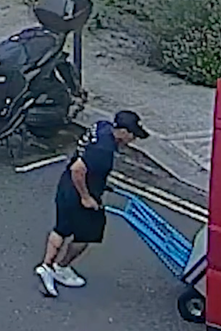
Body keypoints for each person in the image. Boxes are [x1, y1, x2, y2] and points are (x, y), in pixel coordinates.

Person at [35, 110, 149, 297]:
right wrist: (86, 197)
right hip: (80, 192)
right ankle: (61, 267)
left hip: (66, 187)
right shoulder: (103, 151)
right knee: (87, 235)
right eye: (132, 135)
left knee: (61, 229)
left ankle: (46, 266)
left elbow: (83, 162)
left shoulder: (102, 126)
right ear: (122, 131)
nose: (133, 139)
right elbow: (78, 170)